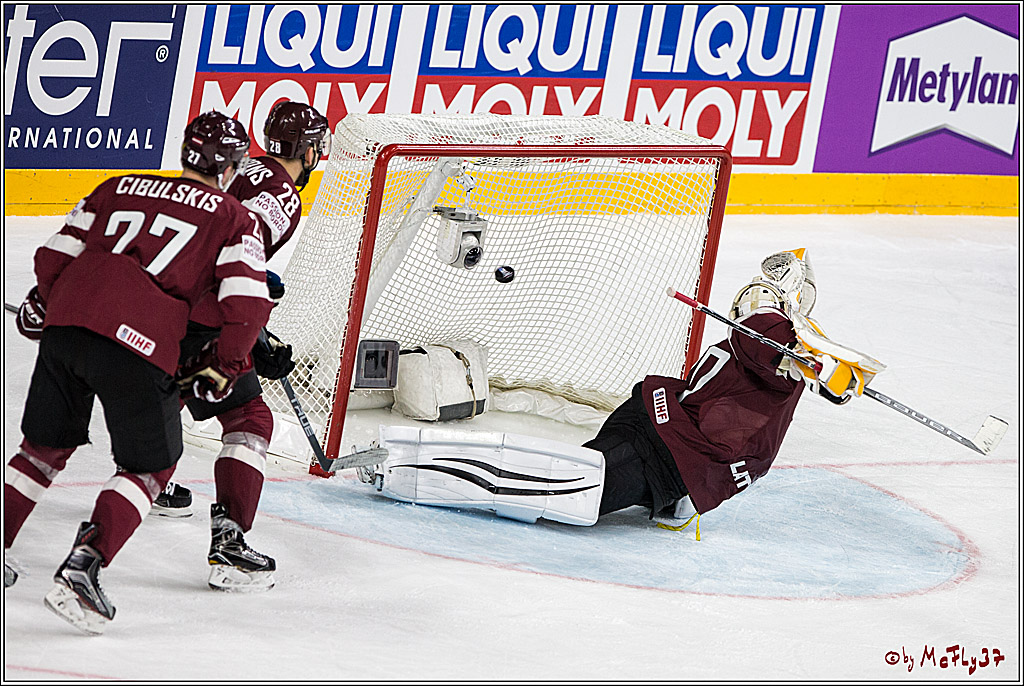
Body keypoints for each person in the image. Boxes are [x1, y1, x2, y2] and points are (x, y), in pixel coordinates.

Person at [354, 249, 885, 529]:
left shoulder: (788, 336)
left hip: (670, 435)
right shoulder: (780, 335)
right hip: (668, 434)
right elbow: (776, 353)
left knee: (568, 482)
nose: (753, 301)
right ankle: (405, 470)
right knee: (576, 474)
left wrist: (828, 374)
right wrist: (815, 369)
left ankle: (405, 468)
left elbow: (792, 361)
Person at [2, 112, 273, 634]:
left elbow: (52, 256)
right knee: (151, 465)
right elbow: (247, 306)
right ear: (231, 167)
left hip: (68, 328)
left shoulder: (118, 185)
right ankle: (84, 568)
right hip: (140, 340)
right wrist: (227, 365)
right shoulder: (233, 216)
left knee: (41, 449)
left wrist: (44, 301)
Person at [153, 101, 331, 593]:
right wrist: (253, 328)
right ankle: (230, 546)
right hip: (204, 313)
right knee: (249, 418)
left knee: (163, 390)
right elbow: (237, 245)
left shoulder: (242, 168)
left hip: (158, 300)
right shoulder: (282, 193)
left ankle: (151, 478)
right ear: (307, 150)